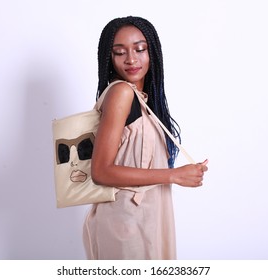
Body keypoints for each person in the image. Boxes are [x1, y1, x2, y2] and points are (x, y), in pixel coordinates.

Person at [82, 16, 208, 260]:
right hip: (126, 222)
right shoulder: (121, 93)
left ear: (152, 52)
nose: (131, 59)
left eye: (140, 49)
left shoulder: (144, 99)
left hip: (146, 218)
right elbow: (101, 170)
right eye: (120, 52)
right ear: (110, 57)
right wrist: (174, 175)